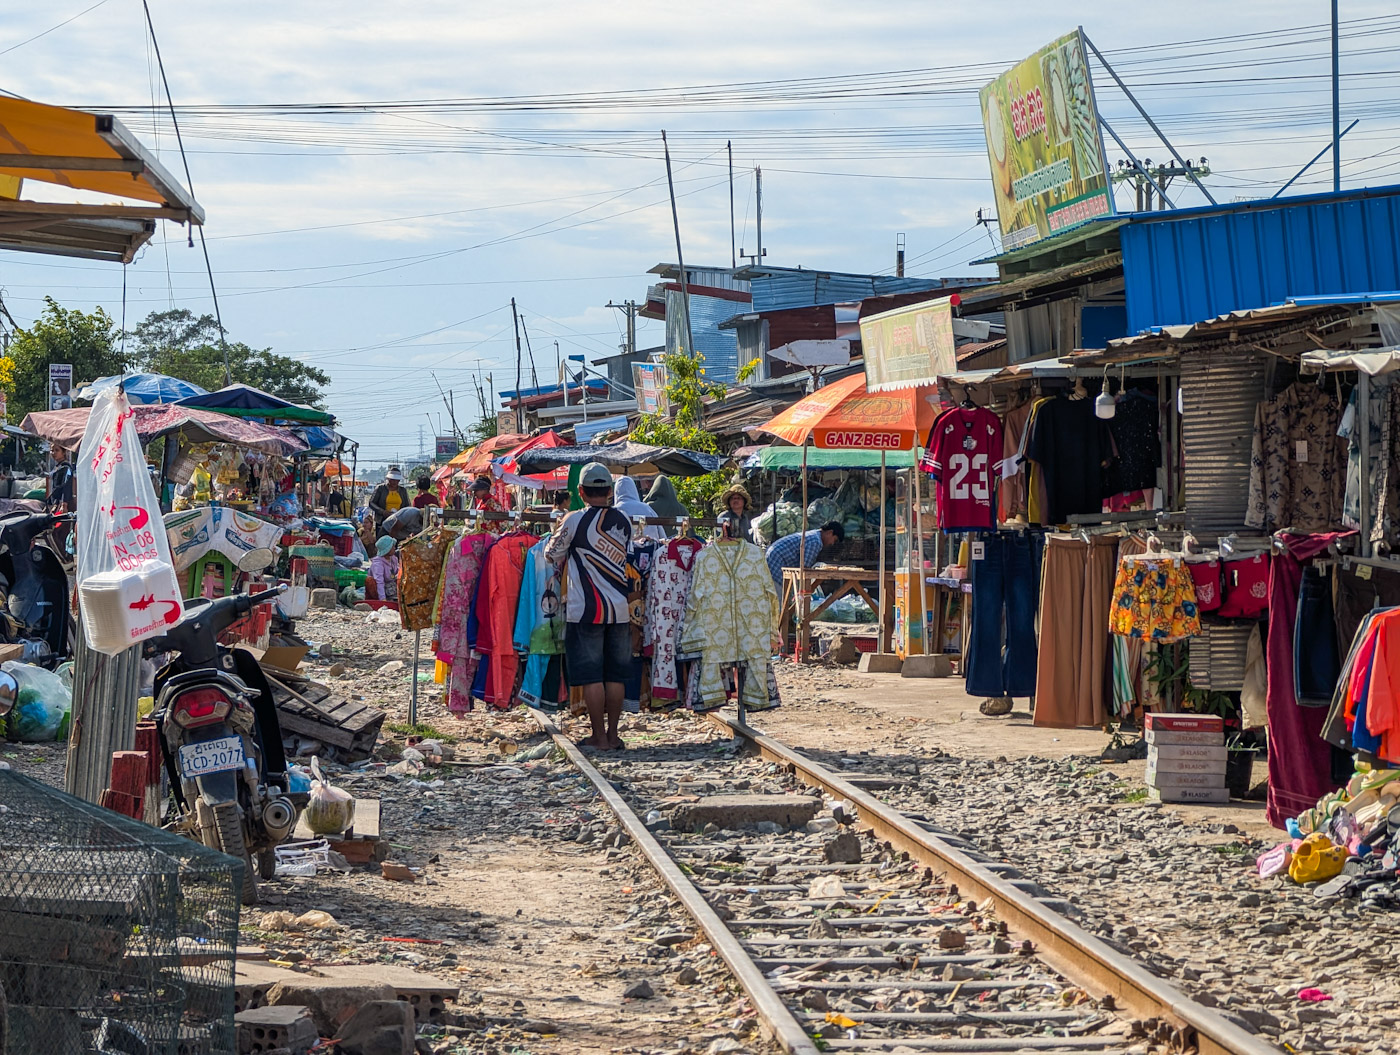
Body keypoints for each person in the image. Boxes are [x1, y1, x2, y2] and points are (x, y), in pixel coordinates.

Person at [544, 461, 632, 751]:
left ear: (580, 491)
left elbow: (551, 554)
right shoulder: (624, 521)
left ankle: (599, 736)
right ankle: (614, 734)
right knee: (615, 675)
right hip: (619, 609)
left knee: (593, 675)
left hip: (585, 610)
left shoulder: (574, 520)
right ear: (609, 491)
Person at [766, 520, 844, 592]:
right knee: (779, 598)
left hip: (773, 557)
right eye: (835, 540)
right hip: (776, 561)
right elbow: (805, 570)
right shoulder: (815, 541)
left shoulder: (814, 535)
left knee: (782, 596)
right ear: (830, 533)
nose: (832, 543)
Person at [367, 536, 399, 602]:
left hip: (391, 586)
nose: (394, 548)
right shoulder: (378, 564)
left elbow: (397, 571)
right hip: (380, 588)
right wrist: (383, 599)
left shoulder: (393, 559)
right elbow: (379, 582)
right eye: (392, 546)